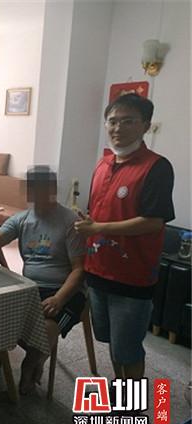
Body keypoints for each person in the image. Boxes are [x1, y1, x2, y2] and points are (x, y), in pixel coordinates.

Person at [74, 94, 174, 397]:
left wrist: (98, 228)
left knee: (128, 349)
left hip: (132, 277)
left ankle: (131, 406)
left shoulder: (156, 167)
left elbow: (153, 221)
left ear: (145, 125)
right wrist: (87, 223)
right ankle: (121, 392)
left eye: (128, 121)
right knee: (112, 343)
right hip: (97, 270)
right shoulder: (103, 164)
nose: (118, 128)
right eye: (112, 121)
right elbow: (97, 212)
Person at [0, 166, 86, 395]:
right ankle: (38, 357)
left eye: (43, 188)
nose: (37, 193)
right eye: (33, 188)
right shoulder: (22, 219)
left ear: (53, 189)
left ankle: (30, 364)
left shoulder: (70, 221)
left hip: (66, 290)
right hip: (30, 287)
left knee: (47, 327)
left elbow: (79, 270)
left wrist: (59, 298)